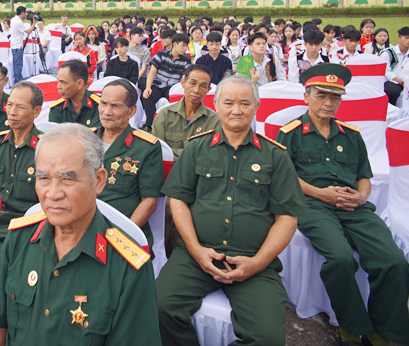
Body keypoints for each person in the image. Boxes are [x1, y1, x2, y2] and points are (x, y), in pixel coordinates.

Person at [156, 74, 309, 346]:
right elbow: (178, 200)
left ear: (256, 107)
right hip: (197, 255)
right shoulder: (197, 148)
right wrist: (195, 249)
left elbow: (287, 217)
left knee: (268, 338)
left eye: (245, 103)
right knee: (159, 306)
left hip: (254, 261)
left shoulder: (276, 155)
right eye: (228, 103)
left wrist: (258, 262)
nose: (236, 110)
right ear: (216, 105)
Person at [0, 123, 161, 346]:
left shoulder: (128, 268)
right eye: (43, 178)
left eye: (68, 179)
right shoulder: (19, 238)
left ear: (99, 181)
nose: (52, 194)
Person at [276, 64, 409, 346]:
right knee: (340, 258)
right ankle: (351, 326)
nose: (328, 102)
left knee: (394, 261)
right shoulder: (290, 133)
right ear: (306, 96)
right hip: (313, 205)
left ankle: (386, 330)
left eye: (335, 97)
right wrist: (322, 194)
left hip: (353, 206)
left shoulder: (351, 134)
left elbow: (364, 176)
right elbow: (285, 178)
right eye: (321, 95)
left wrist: (360, 197)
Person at [152, 64, 222, 255]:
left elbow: (211, 158)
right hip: (166, 179)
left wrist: (181, 156)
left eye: (203, 86)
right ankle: (161, 255)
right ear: (183, 82)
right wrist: (191, 155)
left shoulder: (214, 120)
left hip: (198, 181)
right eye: (192, 83)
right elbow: (158, 153)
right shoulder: (165, 115)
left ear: (209, 89)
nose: (196, 90)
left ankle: (181, 255)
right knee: (166, 207)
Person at [96, 79, 164, 248]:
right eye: (103, 103)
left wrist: (121, 237)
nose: (106, 111)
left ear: (132, 110)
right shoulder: (83, 139)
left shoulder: (146, 147)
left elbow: (149, 202)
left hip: (120, 233)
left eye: (116, 106)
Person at [0, 81, 44, 245]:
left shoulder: (46, 149)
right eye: (9, 105)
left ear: (36, 112)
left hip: (27, 226)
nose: (12, 112)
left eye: (20, 107)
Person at [141, 33, 192, 129]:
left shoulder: (186, 60)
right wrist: (148, 87)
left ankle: (173, 125)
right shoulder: (161, 54)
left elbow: (185, 76)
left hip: (172, 87)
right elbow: (152, 72)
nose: (185, 48)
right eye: (183, 45)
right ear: (175, 44)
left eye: (186, 46)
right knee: (147, 96)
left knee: (177, 100)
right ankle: (150, 124)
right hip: (158, 84)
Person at [49, 59, 101, 128]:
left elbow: (95, 136)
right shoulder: (57, 108)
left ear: (79, 84)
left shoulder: (100, 106)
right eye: (58, 81)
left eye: (63, 82)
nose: (58, 86)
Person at [380, 26, 409, 106]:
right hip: (391, 80)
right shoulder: (387, 53)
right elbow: (386, 71)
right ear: (398, 38)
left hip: (406, 80)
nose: (408, 40)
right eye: (406, 38)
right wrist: (399, 80)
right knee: (394, 91)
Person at [10, 7, 37, 84]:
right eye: (25, 13)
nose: (26, 15)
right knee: (18, 66)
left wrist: (31, 13)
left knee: (17, 65)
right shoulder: (18, 22)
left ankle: (18, 81)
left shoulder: (14, 19)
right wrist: (34, 23)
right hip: (17, 47)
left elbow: (23, 18)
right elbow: (28, 31)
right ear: (22, 13)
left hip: (15, 46)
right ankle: (18, 83)